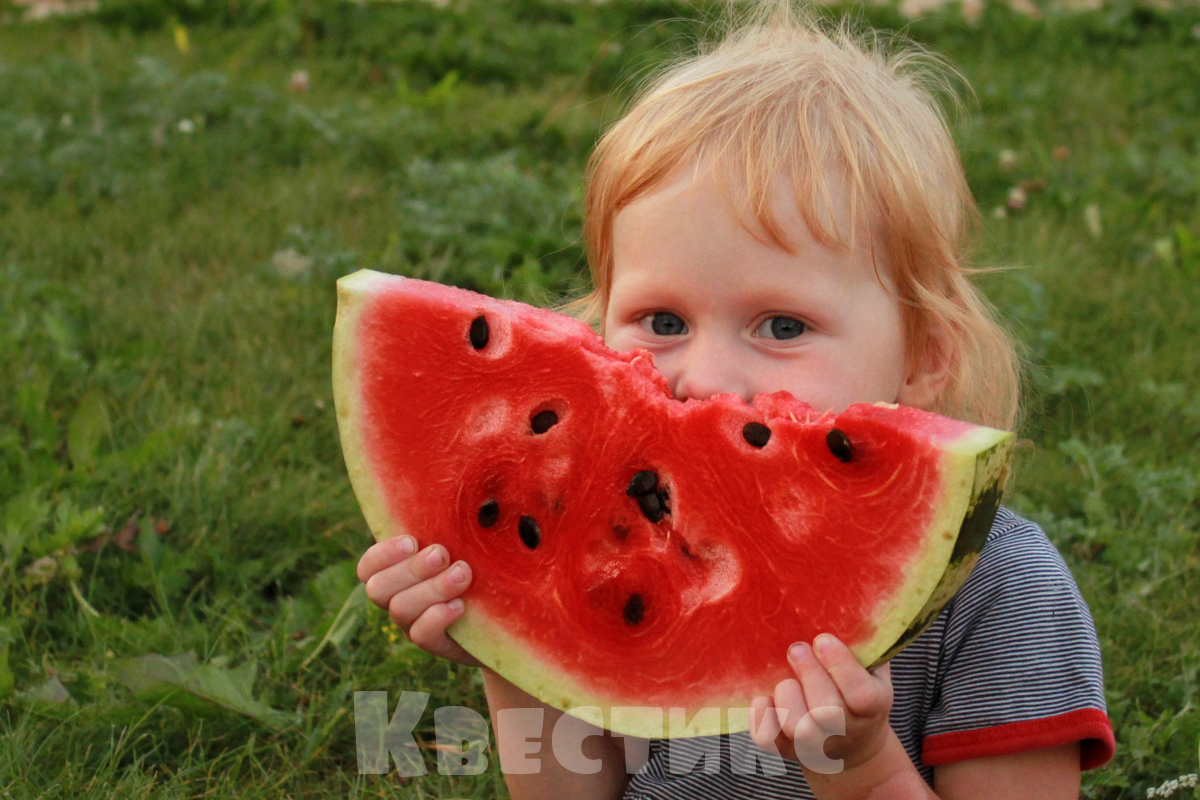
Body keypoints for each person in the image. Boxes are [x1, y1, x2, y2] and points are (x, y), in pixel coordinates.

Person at [355, 3, 1116, 797]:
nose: (708, 377)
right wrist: (511, 638)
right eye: (663, 321)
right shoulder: (609, 538)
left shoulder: (1006, 594)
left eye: (782, 326)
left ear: (924, 355)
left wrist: (859, 764)